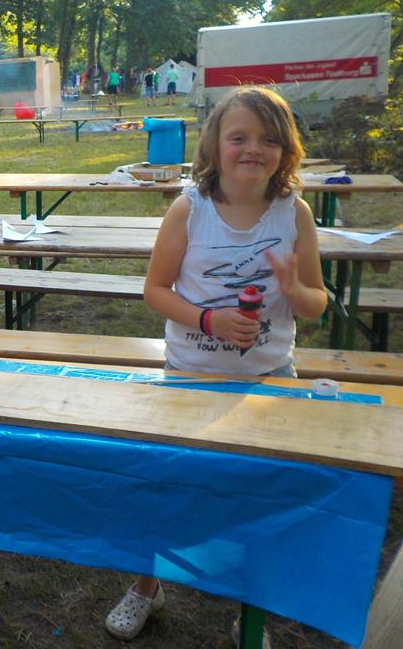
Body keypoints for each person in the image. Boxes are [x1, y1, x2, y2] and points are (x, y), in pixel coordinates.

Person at [104, 86, 327, 646]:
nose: (253, 149)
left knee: (264, 495)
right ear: (214, 146)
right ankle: (147, 585)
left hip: (269, 379)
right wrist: (209, 320)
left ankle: (252, 608)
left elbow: (317, 303)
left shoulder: (294, 212)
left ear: (286, 150)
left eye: (269, 139)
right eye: (239, 137)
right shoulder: (191, 209)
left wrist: (294, 289)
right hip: (191, 374)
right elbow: (156, 290)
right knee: (170, 484)